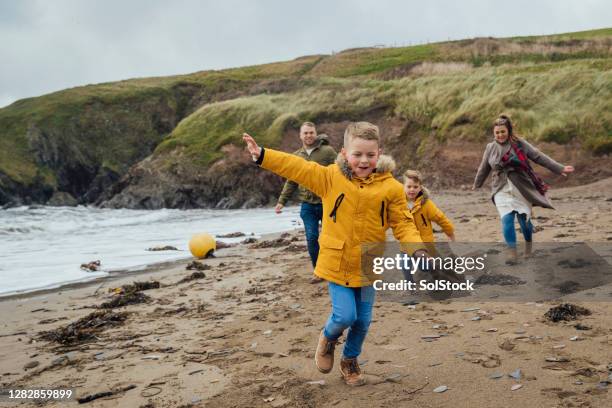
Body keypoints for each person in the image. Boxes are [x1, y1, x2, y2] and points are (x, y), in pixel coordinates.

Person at [243, 122, 425, 386]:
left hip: (367, 265)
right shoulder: (330, 177)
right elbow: (297, 167)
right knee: (344, 316)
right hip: (337, 262)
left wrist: (416, 248)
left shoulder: (392, 188)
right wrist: (262, 155)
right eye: (357, 154)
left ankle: (349, 360)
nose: (364, 160)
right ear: (343, 153)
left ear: (379, 153)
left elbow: (404, 224)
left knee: (362, 321)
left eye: (370, 155)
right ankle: (327, 338)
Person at [473, 115, 574, 263]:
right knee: (507, 219)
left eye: (503, 131)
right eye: (497, 133)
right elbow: (484, 167)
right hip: (501, 188)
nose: (500, 135)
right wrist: (477, 183)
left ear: (508, 131)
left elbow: (538, 156)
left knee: (524, 223)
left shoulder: (519, 144)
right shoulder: (490, 148)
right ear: (493, 133)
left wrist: (559, 168)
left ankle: (528, 245)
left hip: (521, 187)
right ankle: (512, 253)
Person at [275, 122, 337, 283]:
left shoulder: (328, 152)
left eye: (311, 132)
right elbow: (292, 180)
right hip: (307, 205)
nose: (308, 135)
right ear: (300, 136)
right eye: (305, 133)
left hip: (327, 203)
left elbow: (340, 172)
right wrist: (282, 201)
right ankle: (318, 271)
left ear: (315, 134)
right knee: (311, 238)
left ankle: (333, 269)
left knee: (330, 239)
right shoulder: (297, 156)